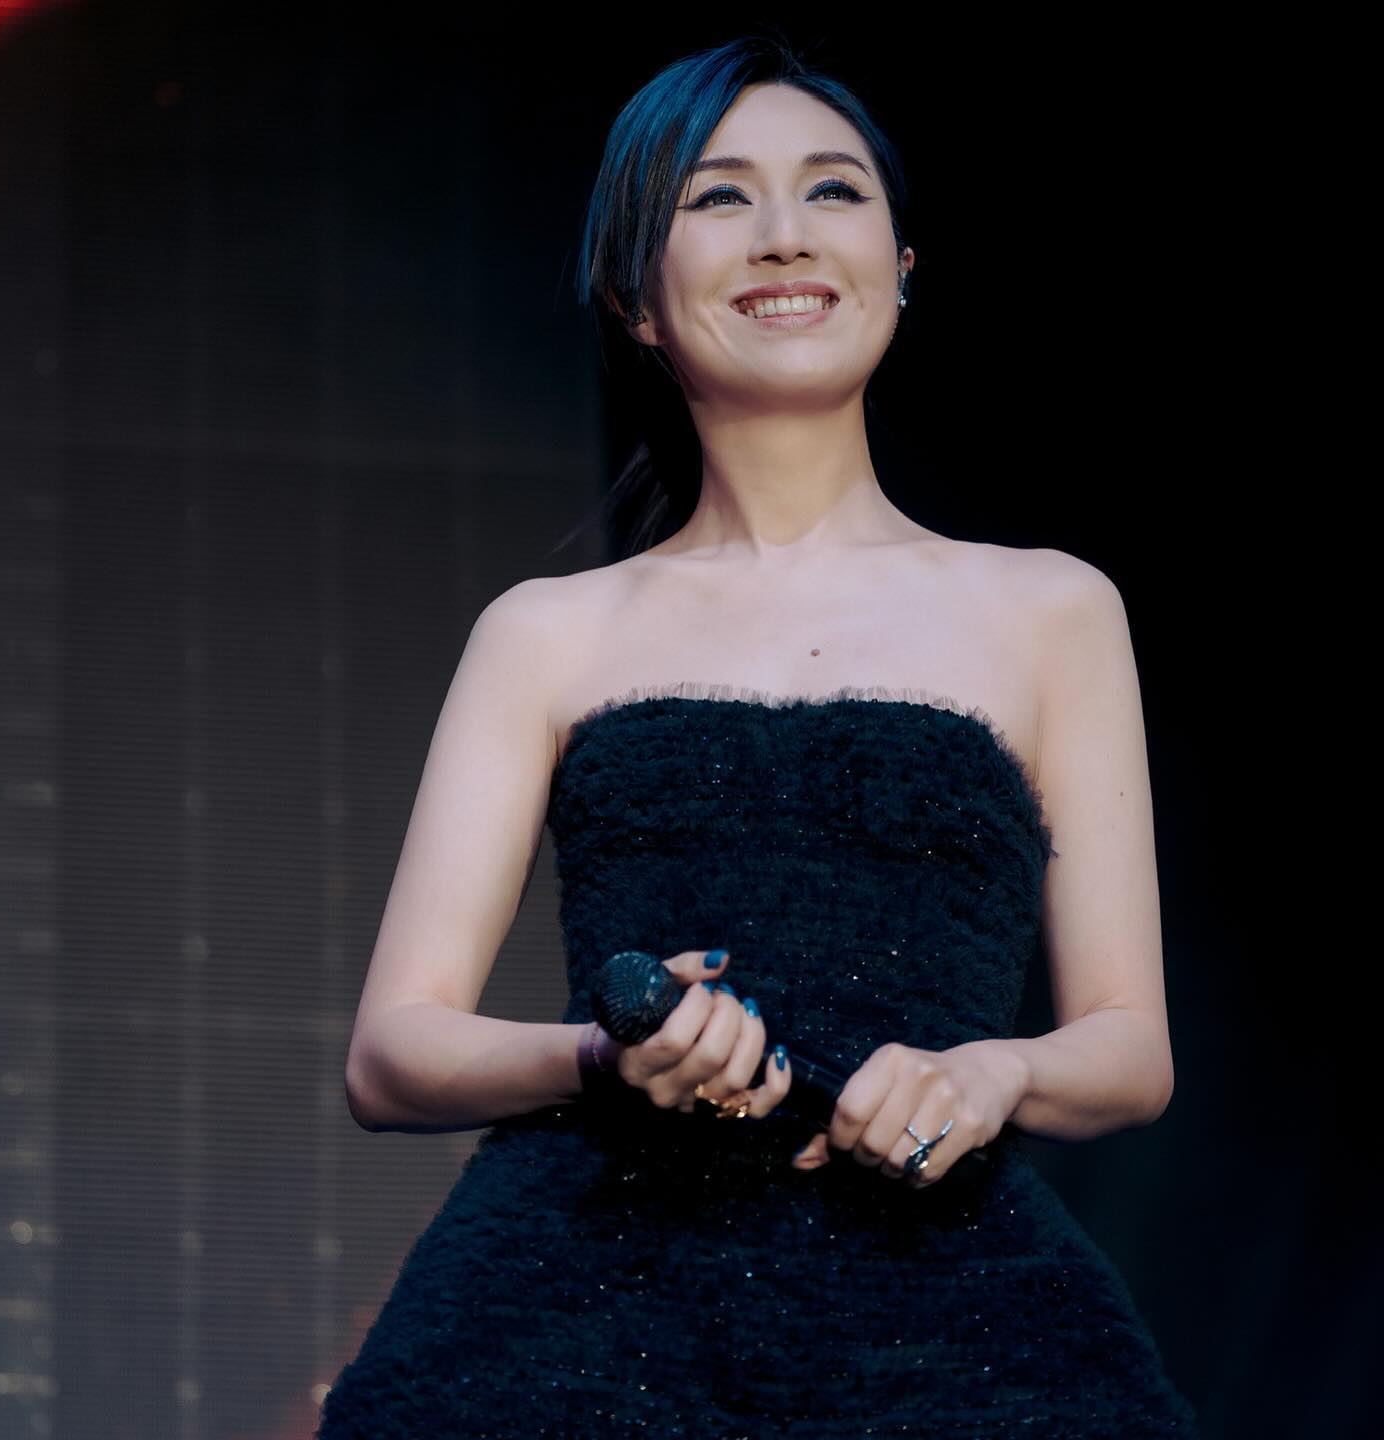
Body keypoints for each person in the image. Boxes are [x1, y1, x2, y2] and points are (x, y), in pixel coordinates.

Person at [315, 33, 1202, 1440]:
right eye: (719, 196)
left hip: (952, 1315)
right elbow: (392, 1054)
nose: (785, 233)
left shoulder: (1052, 610)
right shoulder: (546, 632)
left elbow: (1130, 1046)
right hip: (571, 1313)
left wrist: (995, 1070)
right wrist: (603, 1058)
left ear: (901, 264)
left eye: (833, 190)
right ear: (635, 296)